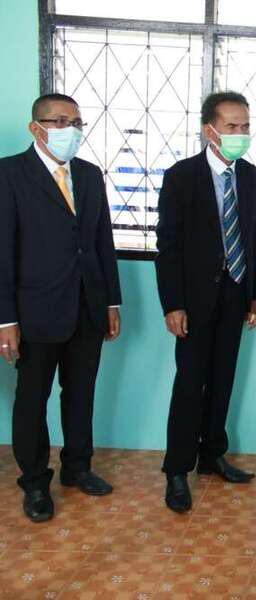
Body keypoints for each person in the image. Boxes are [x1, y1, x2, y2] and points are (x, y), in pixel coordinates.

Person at [0, 93, 122, 522]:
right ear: (36, 128)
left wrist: (111, 300)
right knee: (32, 399)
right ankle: (35, 482)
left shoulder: (88, 174)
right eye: (60, 121)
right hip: (35, 310)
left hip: (88, 305)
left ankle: (77, 467)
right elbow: (2, 252)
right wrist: (6, 319)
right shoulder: (9, 174)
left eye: (76, 122)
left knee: (81, 392)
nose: (70, 129)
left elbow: (102, 241)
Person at [155, 91, 256, 514]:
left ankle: (212, 455)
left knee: (223, 379)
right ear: (210, 130)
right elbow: (168, 245)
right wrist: (173, 304)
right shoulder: (181, 176)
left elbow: (253, 238)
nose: (241, 133)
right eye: (232, 126)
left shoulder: (249, 175)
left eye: (245, 126)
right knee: (190, 384)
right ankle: (176, 470)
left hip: (235, 292)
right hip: (194, 300)